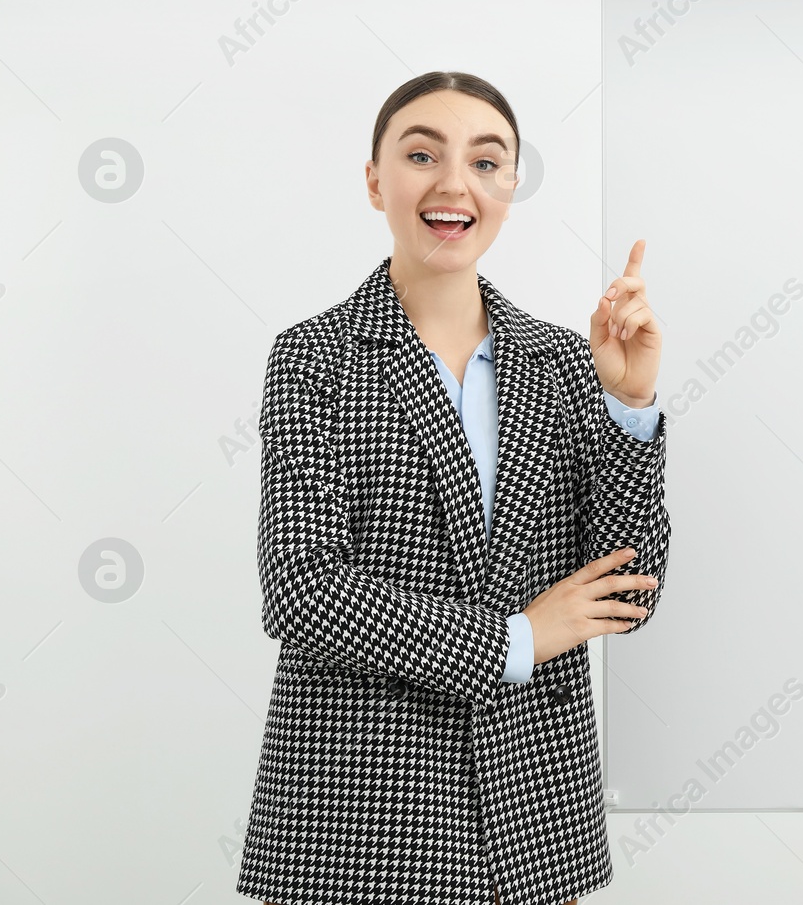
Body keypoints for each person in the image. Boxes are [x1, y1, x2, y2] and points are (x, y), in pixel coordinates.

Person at [234, 71, 671, 905]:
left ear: (510, 185)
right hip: (357, 819)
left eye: (486, 160)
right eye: (422, 153)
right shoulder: (314, 358)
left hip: (533, 824)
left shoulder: (563, 362)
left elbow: (628, 591)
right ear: (375, 180)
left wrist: (627, 402)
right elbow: (298, 589)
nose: (452, 183)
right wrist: (515, 638)